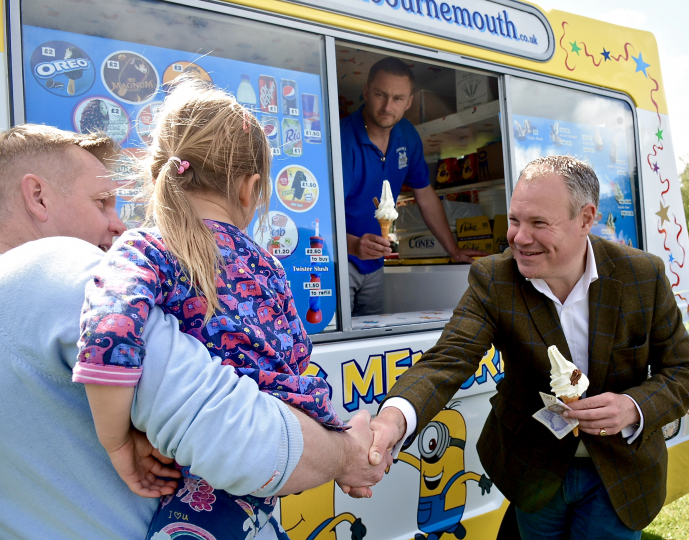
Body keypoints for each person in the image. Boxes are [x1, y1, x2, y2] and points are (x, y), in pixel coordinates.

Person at [0, 124, 387, 540]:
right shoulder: (61, 269)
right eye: (101, 203)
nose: (116, 225)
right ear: (37, 196)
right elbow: (245, 439)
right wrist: (346, 454)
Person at [368, 155, 689, 539]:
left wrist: (633, 407)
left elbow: (686, 373)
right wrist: (393, 420)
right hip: (534, 472)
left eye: (538, 223)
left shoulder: (641, 275)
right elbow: (449, 358)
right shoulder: (495, 278)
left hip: (620, 474)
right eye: (515, 220)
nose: (519, 238)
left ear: (585, 218)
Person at [72, 81, 353, 539]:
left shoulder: (145, 249)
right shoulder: (271, 267)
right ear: (251, 188)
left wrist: (119, 442)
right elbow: (298, 361)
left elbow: (110, 334)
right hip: (267, 471)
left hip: (184, 483)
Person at [340, 57, 487, 315]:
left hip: (375, 262)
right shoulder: (342, 138)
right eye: (380, 95)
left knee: (370, 336)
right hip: (337, 262)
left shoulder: (407, 136)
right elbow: (320, 215)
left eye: (398, 98)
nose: (387, 106)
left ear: (409, 101)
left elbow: (425, 195)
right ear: (365, 91)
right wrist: (352, 245)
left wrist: (452, 249)